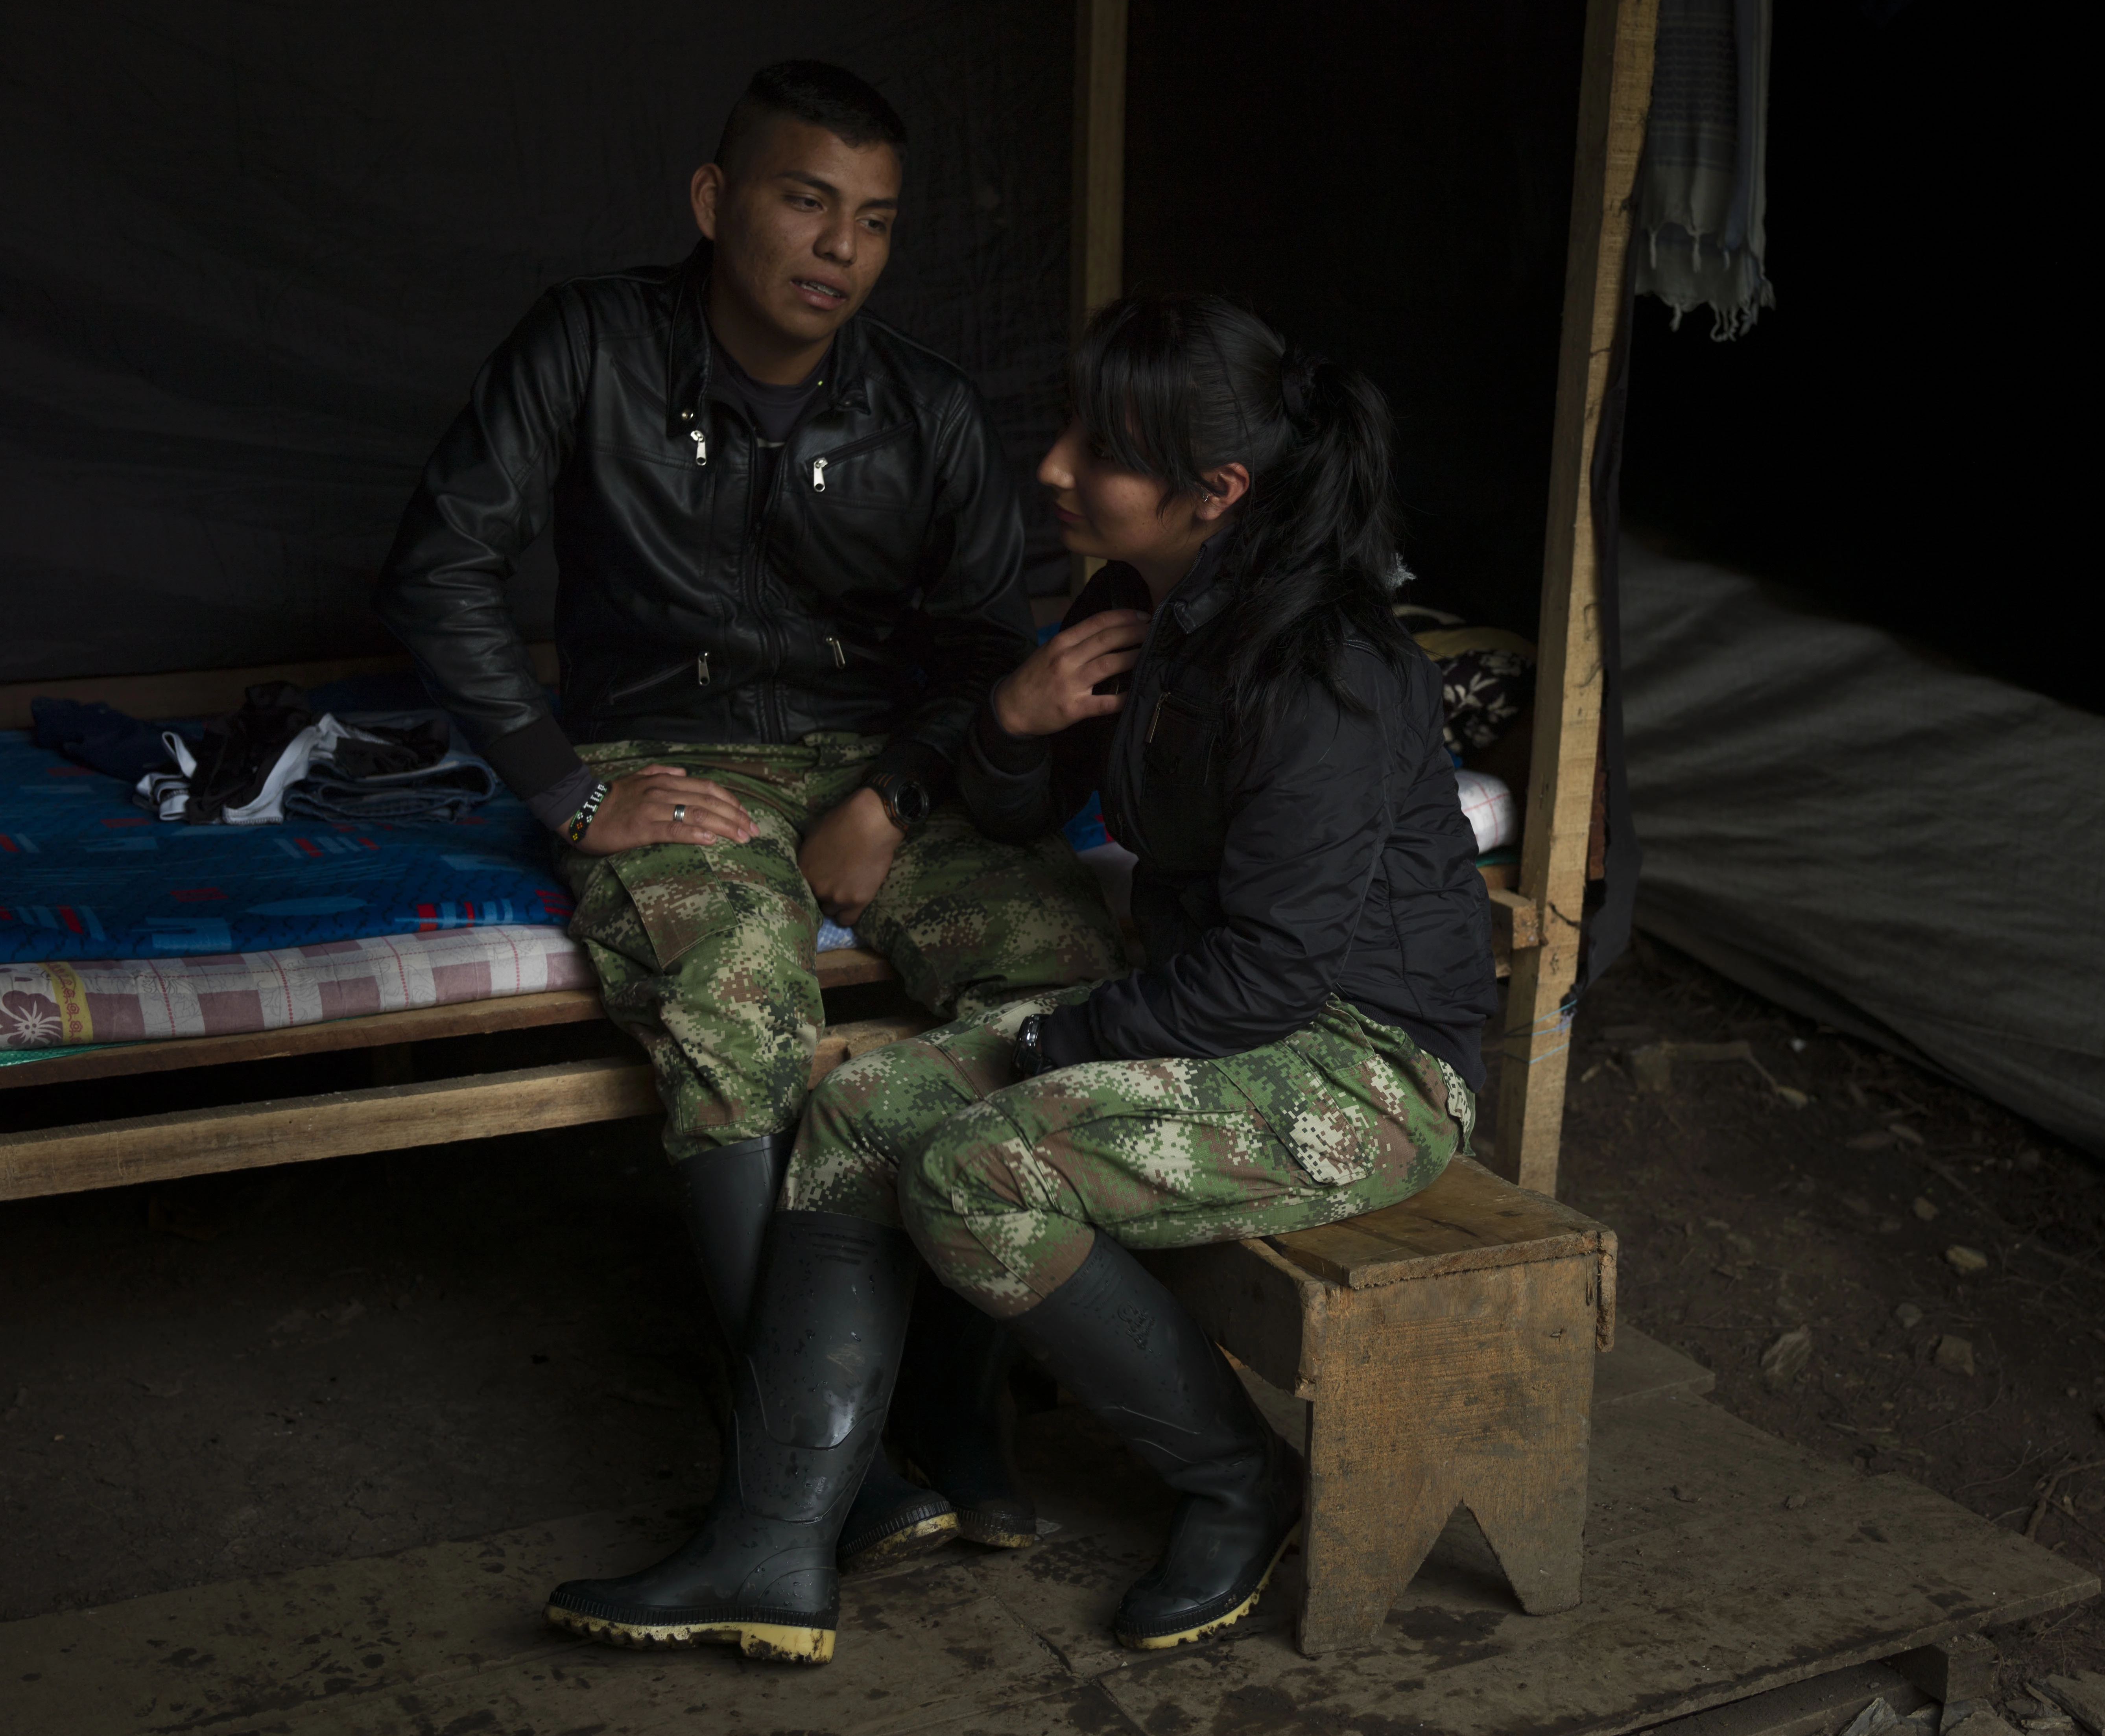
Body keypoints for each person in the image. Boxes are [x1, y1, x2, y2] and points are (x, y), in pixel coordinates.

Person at [545, 294, 1500, 1662]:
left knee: (984, 1171)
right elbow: (1015, 815)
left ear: (1215, 493)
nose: (1053, 466)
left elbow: (1275, 977)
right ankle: (772, 1543)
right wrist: (1015, 718)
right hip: (1227, 1011)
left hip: (1369, 1063)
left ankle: (1242, 1483)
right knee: (865, 1104)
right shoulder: (1136, 607)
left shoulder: (1323, 670)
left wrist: (1053, 1038)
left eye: (1100, 447)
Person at [375, 60, 1125, 1575]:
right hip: (668, 756)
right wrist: (572, 791)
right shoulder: (588, 344)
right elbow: (437, 570)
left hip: (878, 764)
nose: (838, 248)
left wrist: (893, 799)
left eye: (875, 221)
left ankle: (961, 1405)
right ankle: (812, 1457)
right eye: (805, 201)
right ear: (718, 203)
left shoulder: (921, 404)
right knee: (731, 989)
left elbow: (984, 657)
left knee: (1063, 966)